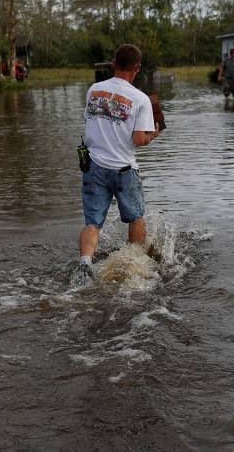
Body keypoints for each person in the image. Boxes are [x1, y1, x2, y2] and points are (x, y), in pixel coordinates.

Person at [74, 43, 161, 285]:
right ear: (138, 68)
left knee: (92, 223)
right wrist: (154, 134)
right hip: (123, 169)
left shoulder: (94, 90)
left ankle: (84, 265)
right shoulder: (140, 99)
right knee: (136, 218)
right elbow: (139, 139)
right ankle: (133, 264)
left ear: (114, 63)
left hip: (93, 166)